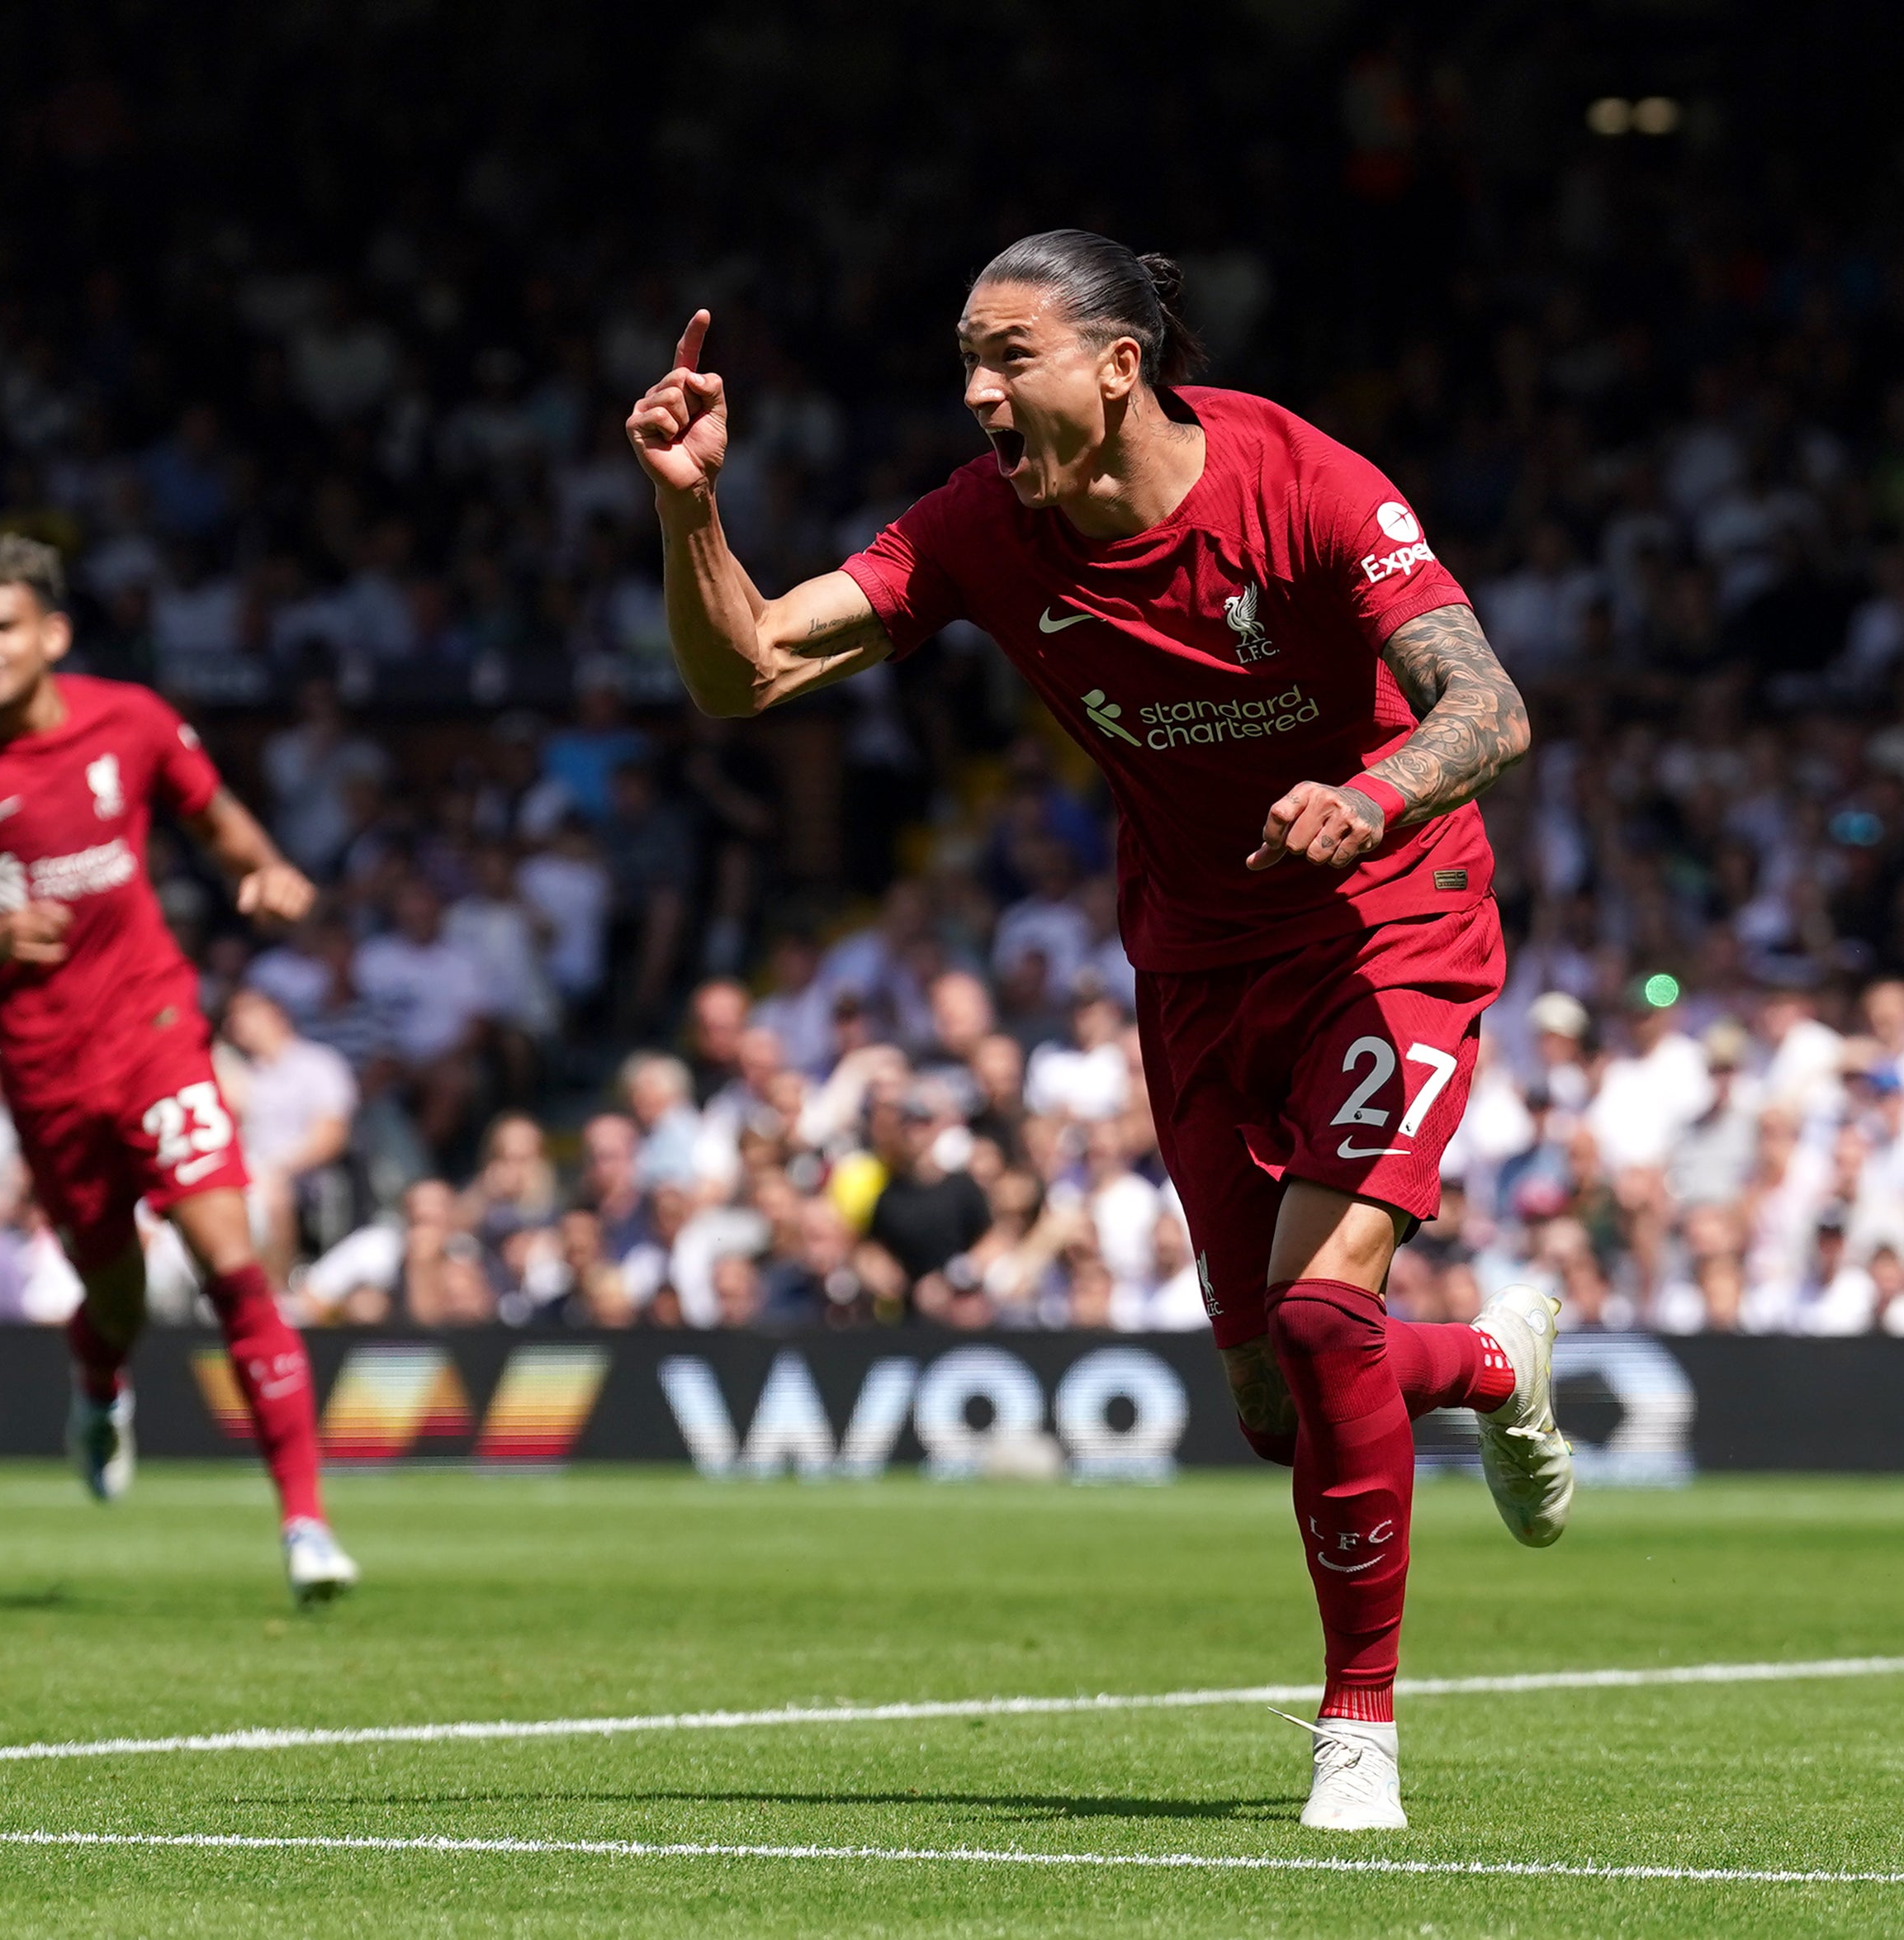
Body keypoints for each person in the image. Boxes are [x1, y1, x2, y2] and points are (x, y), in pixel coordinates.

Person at [628, 229, 1563, 1829]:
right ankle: (1487, 1359)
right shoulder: (983, 527)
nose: (980, 393)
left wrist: (1372, 790)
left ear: (1119, 364)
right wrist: (687, 503)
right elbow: (753, 669)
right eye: (967, 364)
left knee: (1325, 1318)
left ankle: (1357, 1734)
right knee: (1273, 1393)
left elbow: (1489, 704)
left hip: (1383, 915)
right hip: (1197, 954)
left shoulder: (1308, 485)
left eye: (1012, 358)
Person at [0, 529, 355, 1606]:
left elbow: (217, 820)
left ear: (51, 633)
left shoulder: (127, 719)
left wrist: (266, 874)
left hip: (155, 1026)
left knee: (231, 1259)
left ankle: (305, 1522)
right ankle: (98, 1380)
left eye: (0, 628)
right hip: (41, 1065)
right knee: (116, 1292)